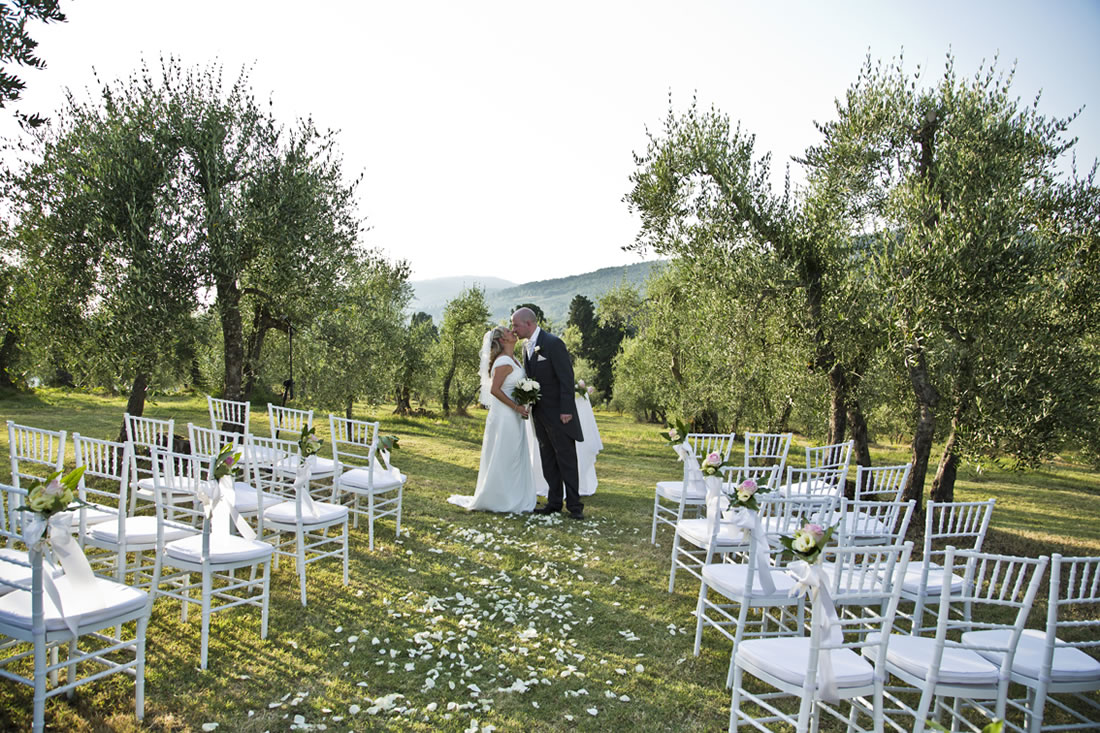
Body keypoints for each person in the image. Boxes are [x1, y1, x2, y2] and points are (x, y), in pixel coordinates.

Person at [447, 326, 536, 513]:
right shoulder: (503, 361)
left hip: (514, 415)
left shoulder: (514, 359)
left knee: (514, 454)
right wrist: (516, 406)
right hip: (504, 416)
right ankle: (500, 498)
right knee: (505, 454)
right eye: (508, 332)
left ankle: (514, 495)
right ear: (503, 340)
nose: (513, 332)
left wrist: (525, 399)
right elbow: (495, 390)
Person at [511, 307, 585, 519]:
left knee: (566, 459)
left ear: (528, 323)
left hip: (559, 414)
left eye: (516, 325)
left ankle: (575, 506)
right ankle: (554, 503)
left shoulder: (553, 343)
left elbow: (566, 378)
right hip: (539, 413)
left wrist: (566, 410)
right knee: (548, 458)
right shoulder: (525, 347)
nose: (513, 330)